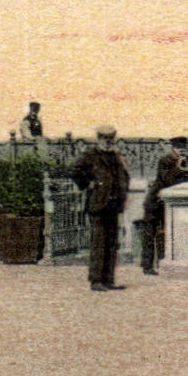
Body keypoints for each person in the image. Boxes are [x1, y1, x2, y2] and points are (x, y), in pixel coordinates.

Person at [70, 125, 132, 291]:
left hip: (113, 205)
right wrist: (88, 183)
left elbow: (125, 176)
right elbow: (75, 171)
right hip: (98, 204)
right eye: (104, 139)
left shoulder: (116, 157)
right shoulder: (90, 156)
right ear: (98, 139)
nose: (108, 142)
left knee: (112, 243)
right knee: (98, 243)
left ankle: (109, 280)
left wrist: (122, 196)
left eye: (110, 139)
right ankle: (96, 280)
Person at [140, 137, 188, 275]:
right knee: (150, 233)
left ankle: (162, 263)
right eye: (179, 149)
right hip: (155, 202)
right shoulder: (164, 161)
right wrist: (178, 168)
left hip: (168, 203)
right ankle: (147, 266)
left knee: (165, 233)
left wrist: (187, 169)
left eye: (183, 149)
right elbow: (167, 180)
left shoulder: (185, 161)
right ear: (173, 149)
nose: (181, 152)